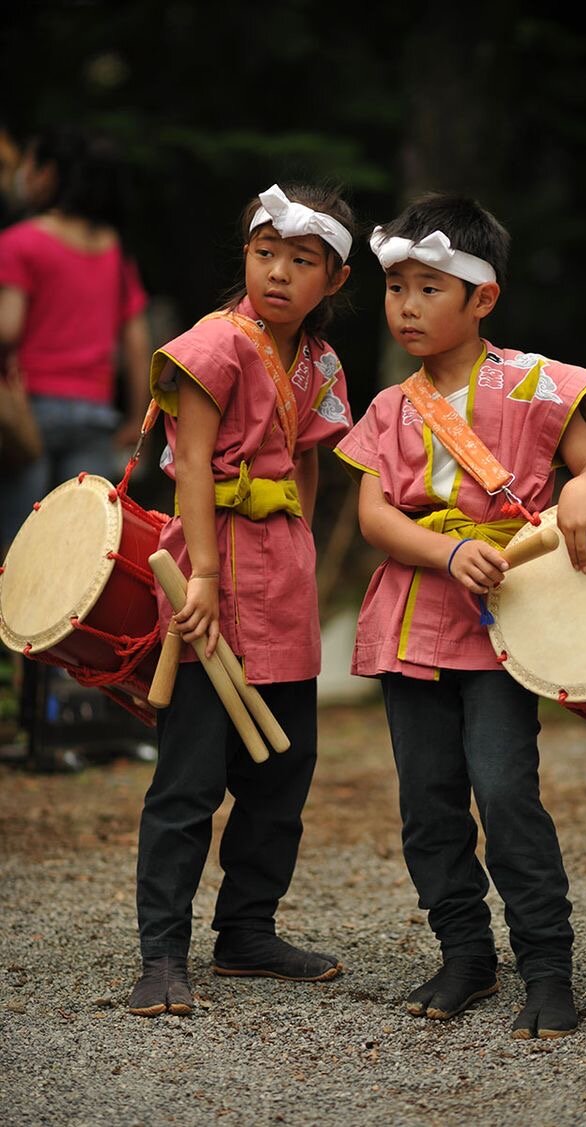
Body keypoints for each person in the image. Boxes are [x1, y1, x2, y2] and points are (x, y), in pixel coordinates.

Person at [334, 192, 586, 1039]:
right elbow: (376, 516)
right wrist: (449, 551)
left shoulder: (537, 384)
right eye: (396, 289)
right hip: (412, 618)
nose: (407, 307)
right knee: (427, 802)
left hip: (506, 627)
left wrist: (577, 489)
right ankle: (465, 952)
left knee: (504, 791)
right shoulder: (391, 406)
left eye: (429, 288)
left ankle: (546, 963)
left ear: (482, 297)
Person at [128, 182, 354, 1017]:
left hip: (283, 578)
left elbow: (308, 463)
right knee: (189, 776)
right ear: (247, 257)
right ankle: (161, 954)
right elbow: (190, 463)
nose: (280, 274)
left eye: (302, 261)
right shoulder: (212, 344)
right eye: (266, 254)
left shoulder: (320, 363)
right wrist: (206, 580)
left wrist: (299, 550)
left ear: (332, 280)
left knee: (283, 770)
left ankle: (247, 931)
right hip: (207, 568)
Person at [0, 124, 151, 771]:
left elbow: (7, 326)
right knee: (90, 571)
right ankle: (78, 714)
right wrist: (135, 412)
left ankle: (20, 715)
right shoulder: (113, 250)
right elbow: (138, 341)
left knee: (21, 564)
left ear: (49, 174)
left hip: (28, 416)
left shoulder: (21, 242)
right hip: (93, 414)